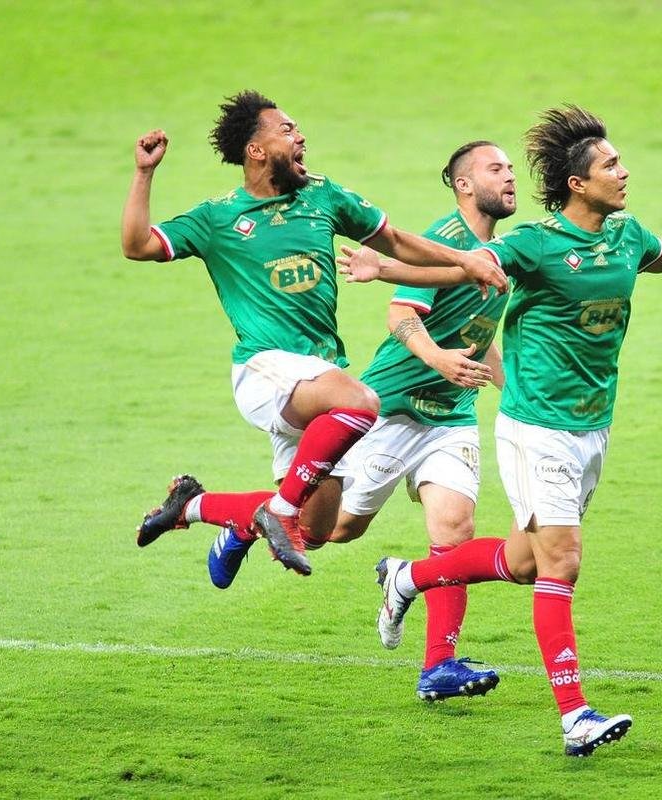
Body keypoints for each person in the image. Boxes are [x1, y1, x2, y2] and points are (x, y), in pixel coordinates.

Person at [347, 105, 662, 756]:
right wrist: (390, 271)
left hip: (590, 427)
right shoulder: (535, 245)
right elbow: (462, 264)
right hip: (536, 427)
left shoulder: (624, 235)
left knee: (525, 563)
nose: (624, 172)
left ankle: (407, 578)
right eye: (611, 165)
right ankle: (574, 715)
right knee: (563, 563)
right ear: (577, 184)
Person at [123, 90, 506, 577]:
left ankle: (192, 506)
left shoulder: (322, 195)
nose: (300, 135)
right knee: (362, 402)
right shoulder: (218, 218)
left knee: (318, 529)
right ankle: (277, 512)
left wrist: (463, 259)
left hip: (319, 375)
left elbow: (395, 241)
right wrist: (144, 172)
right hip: (265, 368)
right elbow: (137, 245)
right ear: (255, 150)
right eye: (286, 130)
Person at [208, 141, 518, 703]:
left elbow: (478, 338)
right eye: (496, 169)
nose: (511, 176)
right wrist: (439, 359)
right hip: (392, 408)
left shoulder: (497, 254)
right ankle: (236, 520)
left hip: (450, 416)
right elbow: (402, 315)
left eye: (511, 168)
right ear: (464, 185)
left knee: (455, 529)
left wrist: (512, 389)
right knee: (331, 529)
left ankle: (438, 666)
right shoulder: (446, 243)